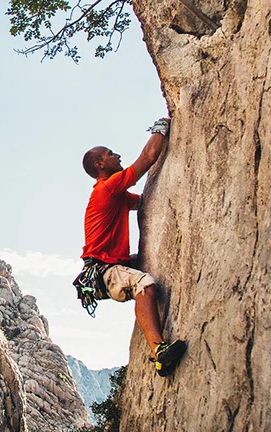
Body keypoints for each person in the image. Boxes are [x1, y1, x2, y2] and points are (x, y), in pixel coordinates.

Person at [79, 118, 186, 377]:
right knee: (144, 284)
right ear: (100, 165)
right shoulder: (107, 188)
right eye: (110, 154)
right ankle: (159, 351)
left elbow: (145, 202)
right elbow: (148, 157)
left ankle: (158, 350)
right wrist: (160, 129)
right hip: (105, 269)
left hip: (108, 267)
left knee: (144, 271)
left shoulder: (115, 195)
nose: (117, 155)